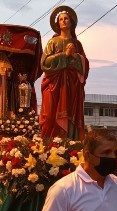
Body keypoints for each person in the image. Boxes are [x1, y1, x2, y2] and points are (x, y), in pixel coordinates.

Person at [40, 6, 89, 140]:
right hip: (54, 84)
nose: (63, 21)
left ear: (71, 22)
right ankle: (49, 143)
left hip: (72, 85)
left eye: (66, 18)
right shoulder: (52, 42)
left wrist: (75, 56)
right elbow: (44, 63)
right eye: (60, 19)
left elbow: (85, 64)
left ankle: (71, 143)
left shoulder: (77, 44)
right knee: (50, 112)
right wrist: (64, 55)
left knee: (71, 113)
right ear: (57, 23)